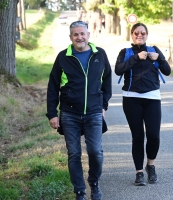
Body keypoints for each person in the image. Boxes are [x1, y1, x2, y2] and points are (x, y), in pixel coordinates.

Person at [46, 21, 112, 200]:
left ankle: (94, 183)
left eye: (82, 34)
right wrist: (52, 113)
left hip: (93, 112)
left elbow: (107, 81)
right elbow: (53, 86)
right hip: (69, 113)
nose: (79, 37)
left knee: (95, 152)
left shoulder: (100, 54)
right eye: (75, 35)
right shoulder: (63, 57)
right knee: (74, 153)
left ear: (88, 35)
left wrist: (103, 105)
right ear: (70, 37)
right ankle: (80, 191)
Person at [115, 23, 171, 186]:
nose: (139, 35)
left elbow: (167, 71)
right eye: (136, 33)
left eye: (143, 33)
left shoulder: (154, 50)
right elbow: (118, 70)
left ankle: (150, 166)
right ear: (131, 35)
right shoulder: (125, 52)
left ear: (147, 35)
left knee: (154, 136)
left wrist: (159, 58)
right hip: (131, 98)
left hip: (152, 97)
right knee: (138, 136)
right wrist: (135, 58)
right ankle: (139, 172)